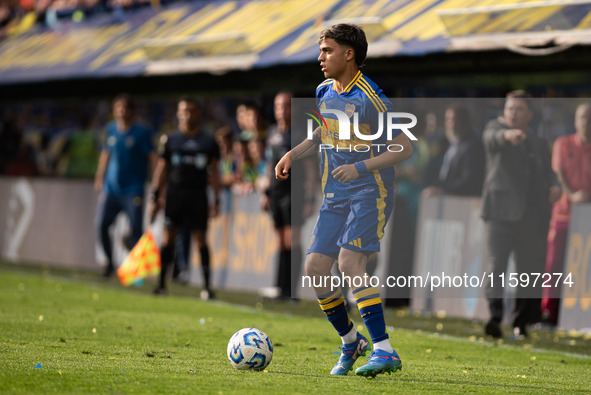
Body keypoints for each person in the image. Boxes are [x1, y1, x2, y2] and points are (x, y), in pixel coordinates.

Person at [275, 24, 413, 377]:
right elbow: (326, 129)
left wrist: (360, 167)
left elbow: (404, 147)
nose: (320, 58)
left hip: (370, 192)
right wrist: (295, 152)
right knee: (316, 269)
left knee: (350, 262)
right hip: (335, 197)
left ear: (349, 54)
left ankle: (384, 350)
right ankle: (352, 341)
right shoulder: (325, 91)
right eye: (321, 51)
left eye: (327, 50)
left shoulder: (371, 99)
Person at [481, 90, 560, 339]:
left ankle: (520, 322)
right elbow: (491, 138)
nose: (512, 113)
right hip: (500, 214)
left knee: (529, 272)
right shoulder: (495, 129)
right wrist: (507, 135)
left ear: (529, 114)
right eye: (509, 108)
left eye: (518, 109)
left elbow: (547, 172)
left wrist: (555, 185)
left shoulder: (537, 141)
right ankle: (494, 318)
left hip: (530, 216)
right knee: (497, 268)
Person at [149, 96, 220, 300]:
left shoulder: (208, 141)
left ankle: (207, 286)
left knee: (201, 239)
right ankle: (162, 283)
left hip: (198, 195)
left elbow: (214, 172)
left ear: (198, 113)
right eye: (184, 111)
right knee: (168, 237)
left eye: (191, 110)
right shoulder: (170, 140)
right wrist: (155, 196)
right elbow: (162, 169)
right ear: (178, 114)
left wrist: (216, 199)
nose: (187, 114)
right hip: (175, 194)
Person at [94, 93, 156, 278]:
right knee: (101, 225)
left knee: (136, 229)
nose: (121, 111)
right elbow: (106, 154)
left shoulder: (142, 132)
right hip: (111, 189)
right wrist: (99, 177)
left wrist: (154, 182)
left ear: (131, 111)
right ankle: (108, 262)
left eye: (124, 107)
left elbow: (152, 157)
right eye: (118, 107)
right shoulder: (111, 130)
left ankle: (135, 270)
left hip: (133, 189)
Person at [262, 91, 315, 301]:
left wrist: (310, 198)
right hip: (276, 193)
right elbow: (268, 164)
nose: (281, 110)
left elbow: (311, 169)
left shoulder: (301, 134)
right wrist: (265, 192)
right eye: (278, 106)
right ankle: (280, 288)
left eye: (286, 106)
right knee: (281, 241)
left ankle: (292, 291)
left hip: (295, 193)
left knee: (293, 240)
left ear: (293, 109)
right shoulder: (272, 132)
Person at [541, 103, 591, 326]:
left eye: (589, 118)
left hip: (588, 217)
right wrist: (572, 195)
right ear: (576, 120)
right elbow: (559, 174)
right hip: (563, 215)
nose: (586, 122)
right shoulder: (563, 144)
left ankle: (581, 315)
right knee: (554, 265)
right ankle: (549, 312)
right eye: (583, 118)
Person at [422, 103, 485, 197]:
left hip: (463, 202)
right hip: (447, 199)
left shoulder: (472, 146)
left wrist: (442, 190)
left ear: (464, 122)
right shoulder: (450, 144)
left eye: (455, 119)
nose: (451, 124)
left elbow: (469, 180)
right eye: (448, 119)